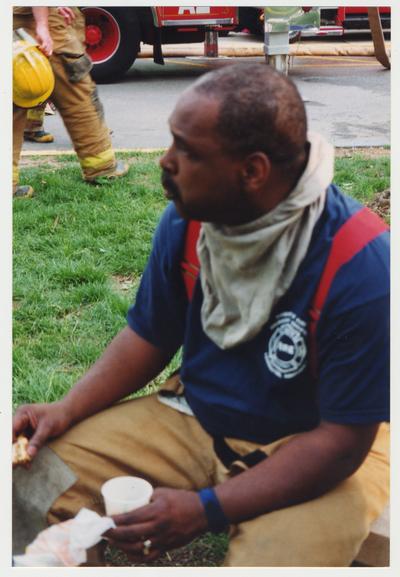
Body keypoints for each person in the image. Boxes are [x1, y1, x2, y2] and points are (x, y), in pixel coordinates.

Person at [13, 63, 389, 567]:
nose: (165, 162)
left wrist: (204, 510)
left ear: (252, 171)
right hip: (196, 417)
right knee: (27, 483)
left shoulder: (361, 267)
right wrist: (66, 408)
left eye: (186, 151)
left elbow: (342, 443)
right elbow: (150, 334)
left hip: (312, 446)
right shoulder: (192, 220)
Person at [13, 6, 128, 198]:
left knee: (17, 92)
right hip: (42, 19)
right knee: (76, 92)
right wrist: (42, 24)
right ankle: (102, 167)